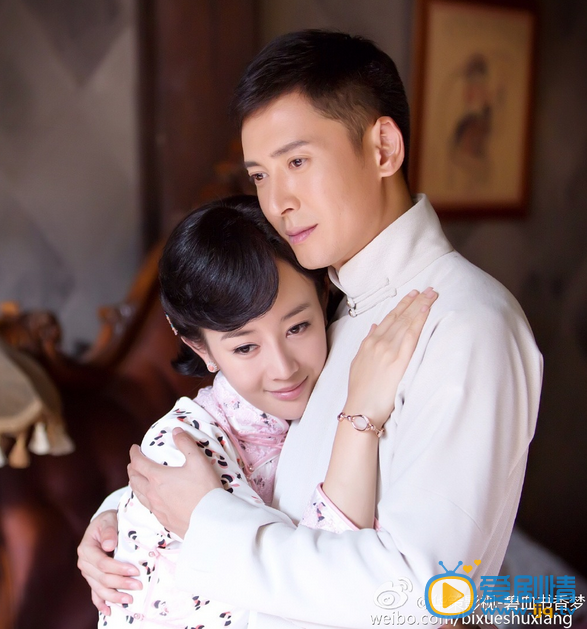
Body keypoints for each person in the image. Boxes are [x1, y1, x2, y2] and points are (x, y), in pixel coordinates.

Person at [78, 30, 543, 629]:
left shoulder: (466, 324)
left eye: (297, 162)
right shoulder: (323, 305)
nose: (278, 203)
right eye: (261, 176)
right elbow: (261, 464)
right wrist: (127, 520)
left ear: (383, 148)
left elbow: (428, 596)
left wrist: (205, 524)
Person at [103, 195, 437, 629]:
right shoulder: (185, 449)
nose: (283, 369)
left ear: (323, 296)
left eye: (297, 327)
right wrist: (360, 414)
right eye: (245, 347)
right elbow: (313, 593)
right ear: (201, 349)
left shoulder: (320, 394)